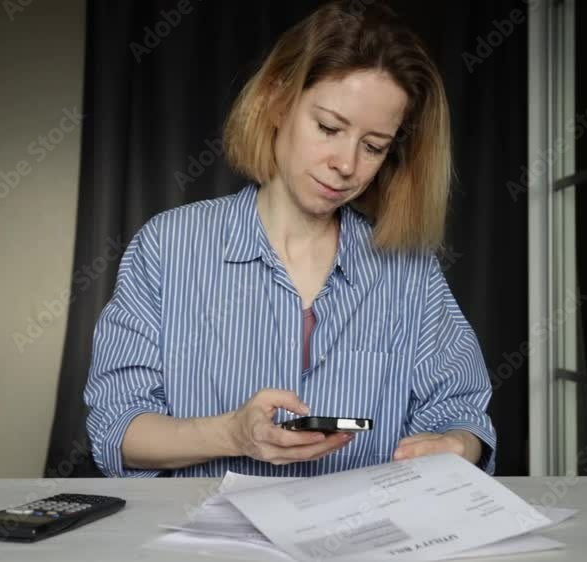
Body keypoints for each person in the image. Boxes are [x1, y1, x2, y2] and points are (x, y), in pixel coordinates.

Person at [84, 0, 496, 478]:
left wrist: (457, 445)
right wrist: (232, 434)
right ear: (277, 100)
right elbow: (117, 428)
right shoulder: (167, 247)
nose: (347, 164)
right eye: (328, 128)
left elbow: (463, 415)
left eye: (373, 147)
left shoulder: (410, 272)